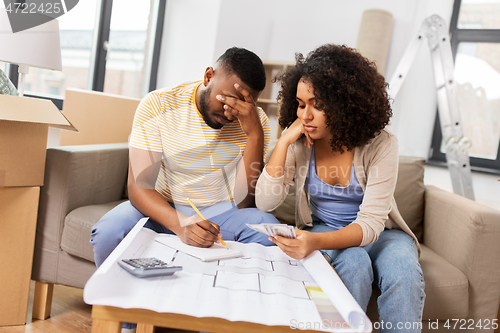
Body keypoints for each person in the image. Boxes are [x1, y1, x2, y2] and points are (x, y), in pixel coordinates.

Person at [255, 44, 425, 333]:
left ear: (344, 103)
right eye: (300, 104)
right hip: (323, 226)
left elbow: (371, 225)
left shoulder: (382, 144)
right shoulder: (298, 141)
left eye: (317, 105)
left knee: (405, 273)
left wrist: (314, 243)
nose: (305, 116)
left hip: (384, 235)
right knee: (355, 263)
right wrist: (283, 142)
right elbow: (265, 202)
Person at [91, 46, 280, 283]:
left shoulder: (255, 121)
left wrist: (254, 135)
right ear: (209, 76)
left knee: (268, 232)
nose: (230, 113)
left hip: (221, 213)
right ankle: (123, 314)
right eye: (227, 99)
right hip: (161, 207)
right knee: (110, 231)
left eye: (242, 105)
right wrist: (180, 224)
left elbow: (244, 204)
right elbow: (140, 187)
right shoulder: (158, 104)